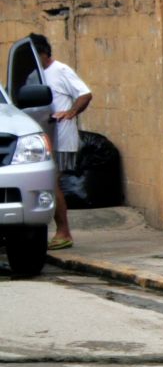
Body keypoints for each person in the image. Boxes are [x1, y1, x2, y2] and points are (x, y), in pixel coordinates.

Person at [26, 34, 92, 250]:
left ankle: (63, 232)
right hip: (42, 137)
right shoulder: (35, 75)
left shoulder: (60, 70)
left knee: (52, 183)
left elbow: (85, 94)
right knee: (49, 183)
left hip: (60, 137)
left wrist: (71, 112)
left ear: (43, 53)